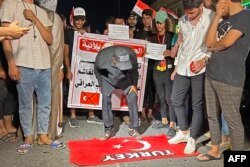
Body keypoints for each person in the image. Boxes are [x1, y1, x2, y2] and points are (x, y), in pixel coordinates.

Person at [1, 0, 64, 154]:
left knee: (45, 103)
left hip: (44, 65)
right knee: (25, 104)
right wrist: (11, 64)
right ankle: (28, 137)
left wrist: (35, 19)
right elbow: (6, 37)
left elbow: (49, 39)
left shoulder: (41, 12)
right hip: (23, 63)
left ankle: (43, 135)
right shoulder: (10, 4)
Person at [197, 0, 250, 161]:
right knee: (212, 115)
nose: (217, 3)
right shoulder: (224, 18)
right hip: (212, 74)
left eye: (219, 0)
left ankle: (237, 159)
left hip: (230, 78)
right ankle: (214, 150)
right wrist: (217, 16)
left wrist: (214, 46)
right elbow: (208, 43)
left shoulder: (246, 16)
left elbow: (225, 43)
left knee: (233, 120)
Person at [168, 0, 214, 154]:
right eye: (186, 12)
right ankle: (183, 131)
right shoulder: (182, 20)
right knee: (176, 99)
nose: (188, 16)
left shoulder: (212, 17)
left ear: (201, 6)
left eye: (192, 13)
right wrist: (175, 67)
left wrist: (204, 59)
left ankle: (193, 138)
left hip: (200, 68)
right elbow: (182, 45)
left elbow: (216, 43)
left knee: (197, 105)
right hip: (182, 67)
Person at [64, 7, 103, 128]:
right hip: (74, 68)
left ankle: (91, 115)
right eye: (77, 20)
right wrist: (68, 69)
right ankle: (73, 115)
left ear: (85, 20)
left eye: (82, 20)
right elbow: (65, 54)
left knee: (89, 88)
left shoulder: (88, 34)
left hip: (86, 67)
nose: (79, 22)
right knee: (72, 90)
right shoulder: (68, 33)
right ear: (73, 20)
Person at [94, 45, 142, 140]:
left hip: (125, 78)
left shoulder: (131, 55)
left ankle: (134, 128)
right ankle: (108, 129)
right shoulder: (101, 58)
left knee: (132, 96)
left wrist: (134, 84)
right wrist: (101, 85)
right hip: (107, 78)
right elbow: (97, 72)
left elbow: (134, 71)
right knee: (105, 99)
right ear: (114, 60)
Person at [134, 9, 155, 123]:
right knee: (142, 88)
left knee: (152, 89)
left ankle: (150, 113)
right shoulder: (138, 33)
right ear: (142, 19)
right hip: (142, 65)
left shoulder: (156, 33)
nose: (146, 20)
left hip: (153, 65)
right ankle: (142, 112)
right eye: (144, 18)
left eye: (148, 18)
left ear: (152, 18)